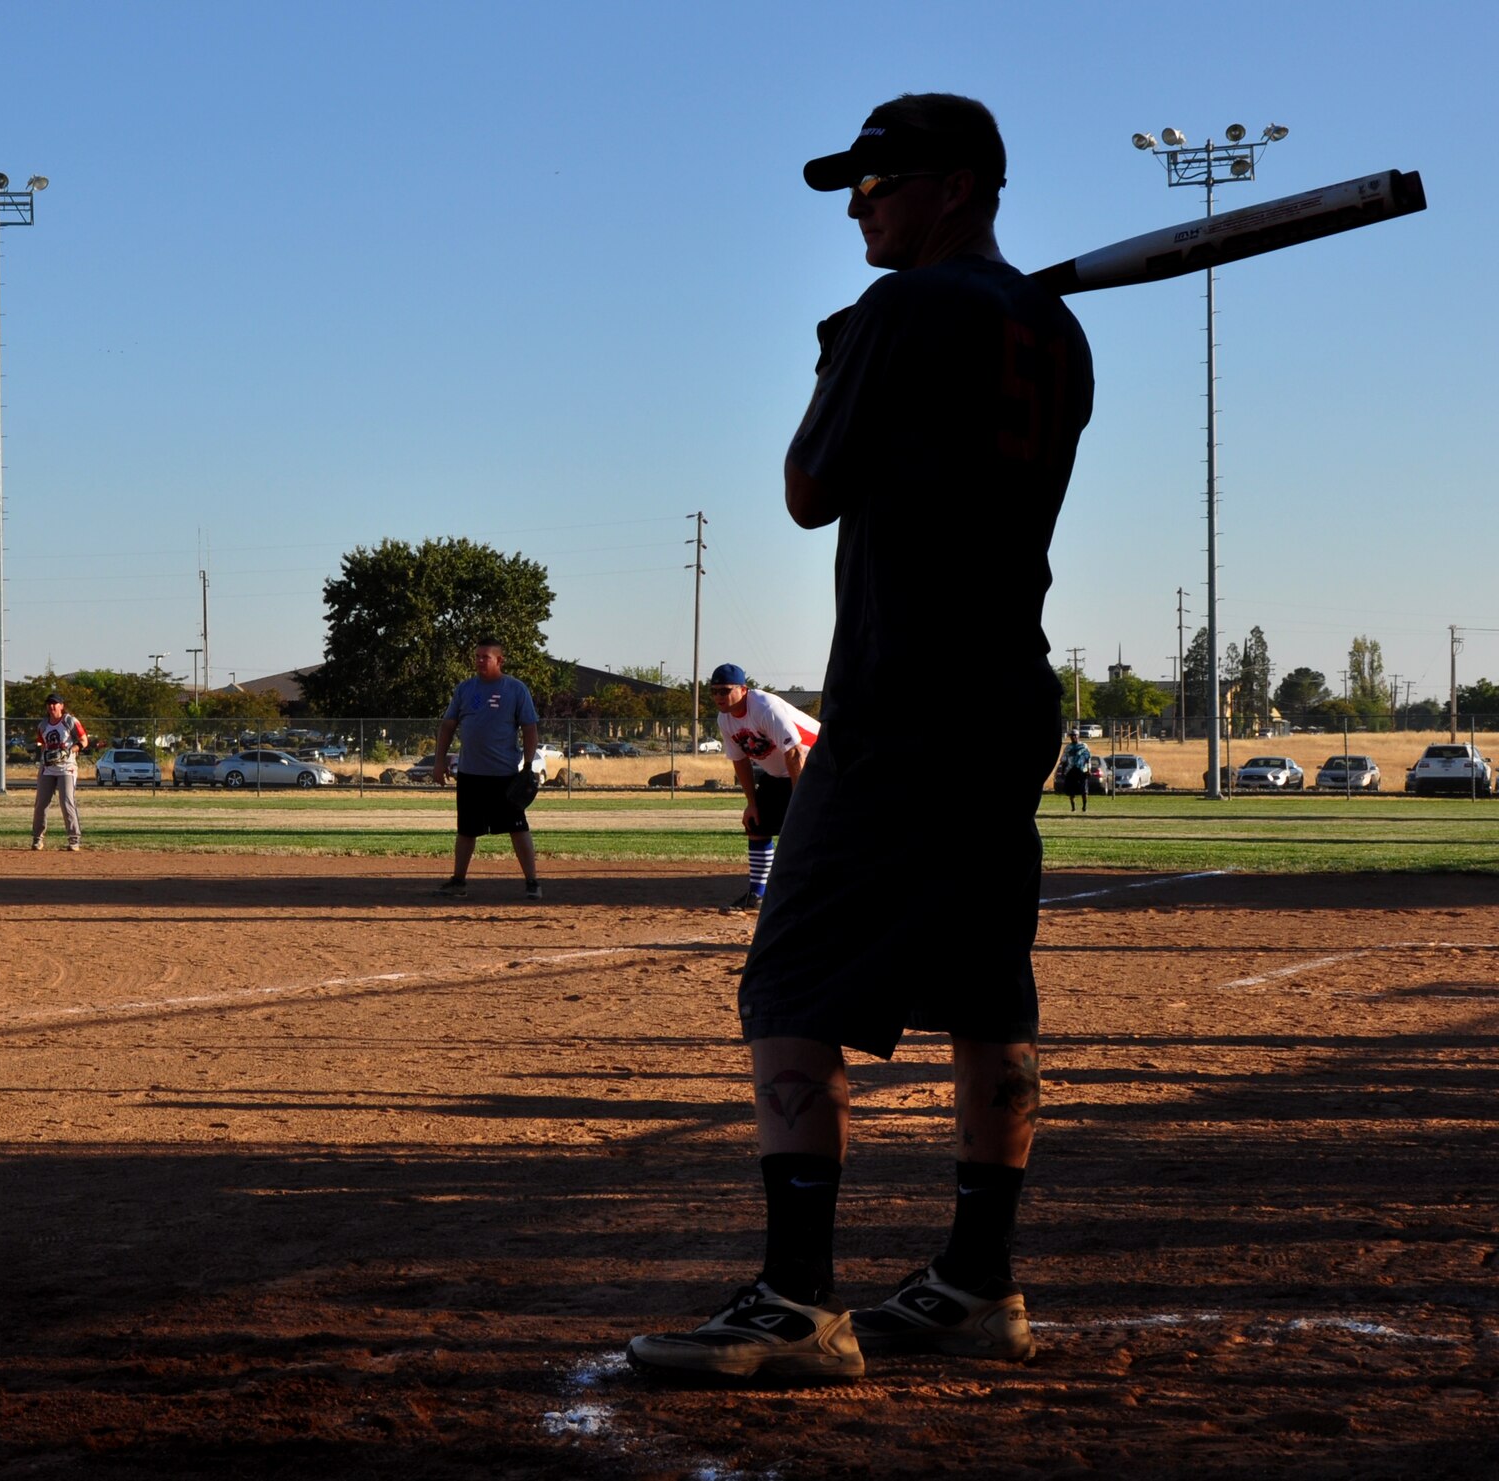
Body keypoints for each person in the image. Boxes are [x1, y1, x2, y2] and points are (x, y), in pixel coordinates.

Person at [629, 93, 1093, 1382]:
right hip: (1006, 693)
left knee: (786, 987)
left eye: (879, 182)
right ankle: (976, 1281)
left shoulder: (902, 313)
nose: (856, 204)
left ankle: (791, 1298)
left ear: (957, 186)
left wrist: (842, 359)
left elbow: (805, 490)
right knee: (984, 987)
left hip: (899, 694)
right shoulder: (1055, 333)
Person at [433, 639, 543, 901]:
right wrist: (439, 761)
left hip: (504, 774)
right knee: (466, 830)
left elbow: (530, 729)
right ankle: (458, 881)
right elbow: (448, 725)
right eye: (478, 656)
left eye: (486, 657)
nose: (480, 661)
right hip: (471, 773)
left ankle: (532, 882)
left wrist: (527, 766)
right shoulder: (465, 689)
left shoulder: (515, 689)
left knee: (518, 828)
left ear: (499, 660)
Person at [709, 663, 819, 913]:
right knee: (756, 824)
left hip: (818, 766)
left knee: (809, 831)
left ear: (743, 689)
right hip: (780, 773)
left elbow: (794, 752)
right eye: (714, 691)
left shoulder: (764, 707)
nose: (718, 697)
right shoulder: (725, 719)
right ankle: (757, 895)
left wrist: (799, 801)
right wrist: (751, 803)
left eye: (725, 690)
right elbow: (740, 760)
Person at [31, 693, 90, 852]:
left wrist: (71, 750)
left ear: (61, 706)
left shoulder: (69, 721)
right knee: (41, 804)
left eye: (55, 703)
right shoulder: (43, 725)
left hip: (67, 768)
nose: (52, 706)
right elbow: (43, 745)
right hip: (48, 768)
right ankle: (38, 838)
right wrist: (43, 762)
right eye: (49, 704)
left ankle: (74, 839)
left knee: (66, 802)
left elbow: (84, 741)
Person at [1059, 731, 1092, 812]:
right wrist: (1063, 772)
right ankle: (1073, 807)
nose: (1073, 737)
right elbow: (1064, 760)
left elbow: (1088, 759)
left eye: (1074, 735)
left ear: (1078, 736)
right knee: (1071, 791)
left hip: (1082, 770)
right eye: (1071, 736)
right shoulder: (1068, 747)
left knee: (1084, 790)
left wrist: (1089, 770)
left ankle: (1084, 806)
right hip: (1070, 770)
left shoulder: (1084, 746)